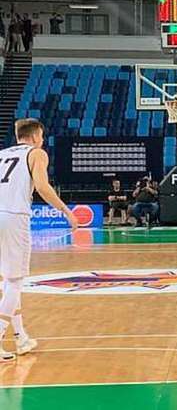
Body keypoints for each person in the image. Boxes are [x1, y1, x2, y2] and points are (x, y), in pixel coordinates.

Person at [0, 118, 78, 361]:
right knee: (15, 280)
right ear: (35, 137)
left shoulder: (2, 154)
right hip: (13, 216)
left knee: (9, 282)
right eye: (41, 136)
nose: (42, 140)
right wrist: (66, 211)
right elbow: (43, 187)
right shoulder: (37, 154)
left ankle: (21, 338)